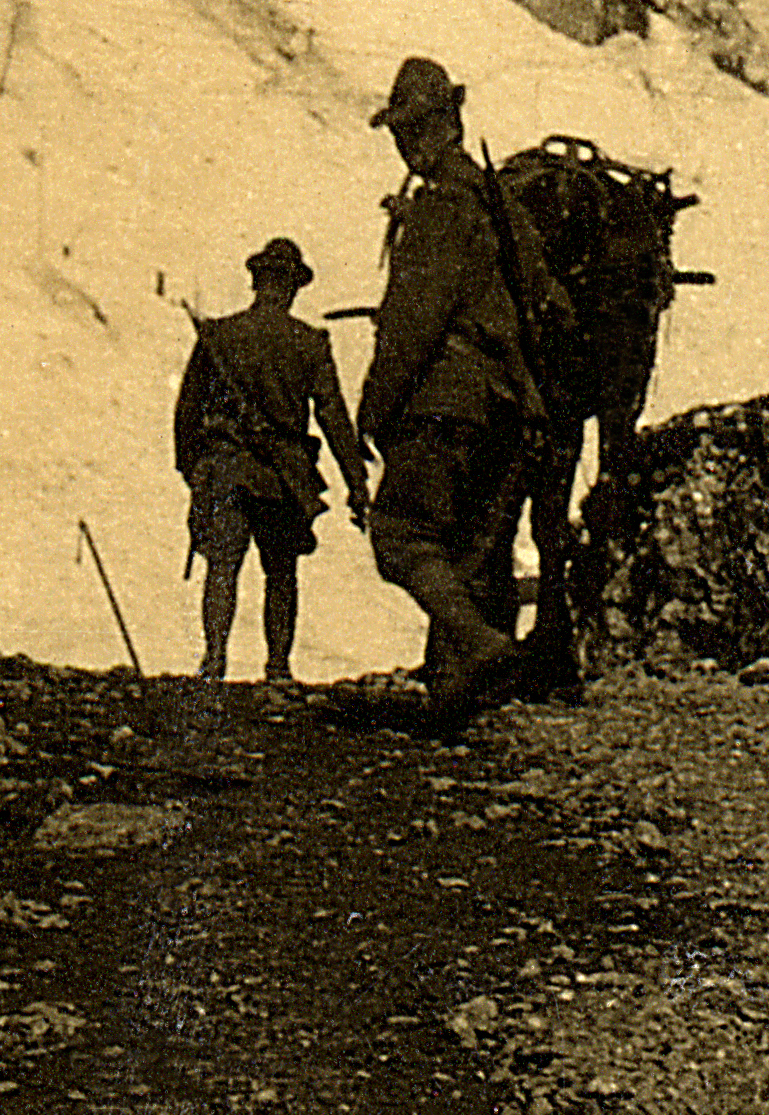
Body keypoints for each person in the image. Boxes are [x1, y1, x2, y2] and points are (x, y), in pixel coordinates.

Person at [357, 57, 547, 725]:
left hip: (449, 401)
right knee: (467, 553)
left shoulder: (440, 207)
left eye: (410, 130)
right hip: (511, 406)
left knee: (399, 535)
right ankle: (456, 697)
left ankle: (483, 647)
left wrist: (370, 412)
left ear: (439, 126)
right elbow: (545, 300)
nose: (404, 144)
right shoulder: (500, 205)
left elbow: (412, 324)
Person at [175, 238, 370, 683]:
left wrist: (193, 468)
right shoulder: (310, 343)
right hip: (282, 474)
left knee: (222, 567)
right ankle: (278, 668)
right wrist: (356, 482)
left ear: (256, 281)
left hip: (225, 467)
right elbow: (333, 416)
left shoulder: (219, 336)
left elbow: (187, 411)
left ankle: (213, 661)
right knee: (281, 574)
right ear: (293, 288)